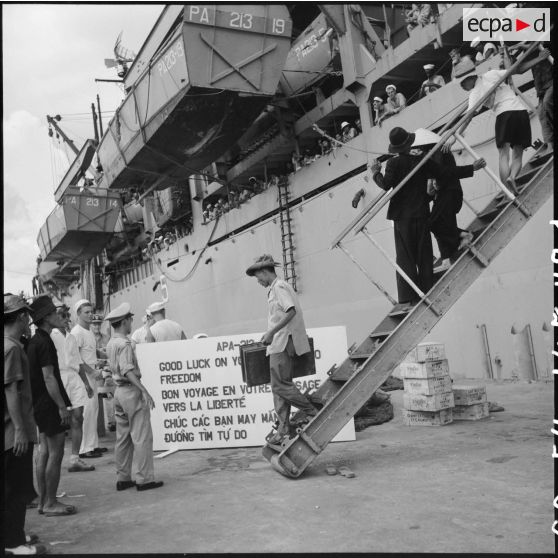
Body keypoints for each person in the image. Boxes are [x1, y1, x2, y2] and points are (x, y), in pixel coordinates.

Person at [370, 127, 484, 305]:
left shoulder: (393, 164)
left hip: (402, 216)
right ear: (409, 143)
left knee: (405, 256)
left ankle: (408, 296)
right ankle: (426, 288)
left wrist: (375, 172)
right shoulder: (421, 159)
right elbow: (445, 173)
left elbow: (386, 184)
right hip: (421, 212)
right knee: (424, 254)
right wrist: (472, 168)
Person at [245, 255, 319, 444]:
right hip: (278, 342)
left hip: (283, 342)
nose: (258, 281)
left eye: (258, 277)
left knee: (280, 385)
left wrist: (271, 332)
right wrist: (271, 334)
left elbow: (291, 311)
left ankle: (312, 413)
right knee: (278, 389)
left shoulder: (278, 287)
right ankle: (283, 428)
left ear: (264, 271)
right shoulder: (276, 288)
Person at [4, 294, 47, 555]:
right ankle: (13, 543)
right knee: (16, 490)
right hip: (13, 431)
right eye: (27, 316)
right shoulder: (12, 348)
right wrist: (20, 430)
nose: (29, 320)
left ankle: (14, 535)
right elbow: (11, 391)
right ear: (21, 316)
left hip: (9, 430)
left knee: (11, 488)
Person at [26, 295, 76, 517]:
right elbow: (49, 378)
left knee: (44, 453)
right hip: (49, 404)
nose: (59, 316)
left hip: (38, 404)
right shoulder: (45, 342)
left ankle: (42, 502)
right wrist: (61, 407)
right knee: (55, 454)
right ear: (46, 318)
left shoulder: (35, 341)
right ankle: (50, 503)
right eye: (55, 313)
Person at [105, 303, 163, 492]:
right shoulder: (125, 344)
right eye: (129, 319)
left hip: (119, 392)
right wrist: (144, 390)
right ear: (123, 322)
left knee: (123, 437)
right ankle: (144, 479)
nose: (131, 322)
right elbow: (128, 369)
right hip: (130, 390)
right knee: (141, 436)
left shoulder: (111, 343)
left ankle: (123, 478)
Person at [411, 128, 486, 265]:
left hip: (450, 193)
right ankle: (450, 252)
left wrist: (471, 168)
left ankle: (464, 235)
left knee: (433, 223)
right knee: (439, 224)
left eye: (417, 148)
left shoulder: (439, 153)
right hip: (446, 194)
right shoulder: (432, 156)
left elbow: (448, 172)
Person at [458, 67, 531, 191]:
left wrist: (457, 134)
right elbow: (517, 69)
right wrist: (540, 58)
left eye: (462, 83)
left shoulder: (475, 92)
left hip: (504, 115)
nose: (461, 86)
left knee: (504, 155)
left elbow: (468, 117)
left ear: (469, 79)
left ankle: (508, 192)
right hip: (520, 111)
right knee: (518, 153)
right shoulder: (491, 73)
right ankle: (512, 177)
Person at [51, 305, 95, 473]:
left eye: (66, 315)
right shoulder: (51, 336)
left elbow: (79, 362)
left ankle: (75, 459)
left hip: (74, 377)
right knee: (60, 419)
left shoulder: (71, 337)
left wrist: (86, 383)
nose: (65, 318)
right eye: (61, 315)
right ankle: (54, 458)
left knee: (79, 416)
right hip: (59, 377)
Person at [71, 299, 106, 459]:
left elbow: (91, 352)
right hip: (84, 377)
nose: (90, 314)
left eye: (91, 311)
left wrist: (104, 355)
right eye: (86, 312)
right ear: (78, 314)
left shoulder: (89, 331)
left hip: (92, 375)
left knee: (93, 411)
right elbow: (76, 359)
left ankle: (93, 445)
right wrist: (90, 374)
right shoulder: (77, 332)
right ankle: (85, 449)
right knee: (87, 412)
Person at [514, 44, 553, 153]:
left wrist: (522, 45)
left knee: (547, 103)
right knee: (541, 113)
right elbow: (518, 69)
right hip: (542, 87)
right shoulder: (528, 52)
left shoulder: (540, 41)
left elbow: (541, 42)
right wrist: (507, 54)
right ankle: (550, 145)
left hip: (552, 80)